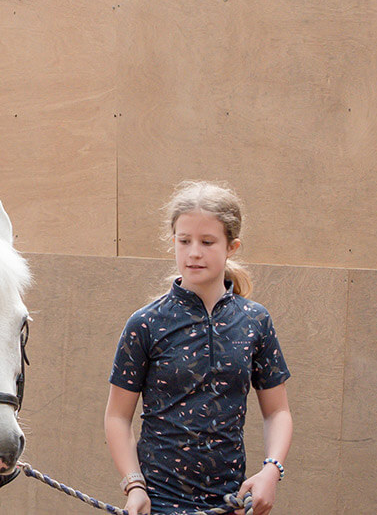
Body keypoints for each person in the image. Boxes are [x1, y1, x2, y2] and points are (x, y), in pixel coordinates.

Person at [104, 181, 293, 515]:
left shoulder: (255, 321)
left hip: (230, 503)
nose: (193, 252)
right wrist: (134, 486)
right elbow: (117, 416)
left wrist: (271, 470)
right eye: (184, 241)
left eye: (207, 242)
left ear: (232, 246)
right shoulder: (146, 323)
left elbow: (278, 411)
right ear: (173, 242)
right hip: (157, 502)